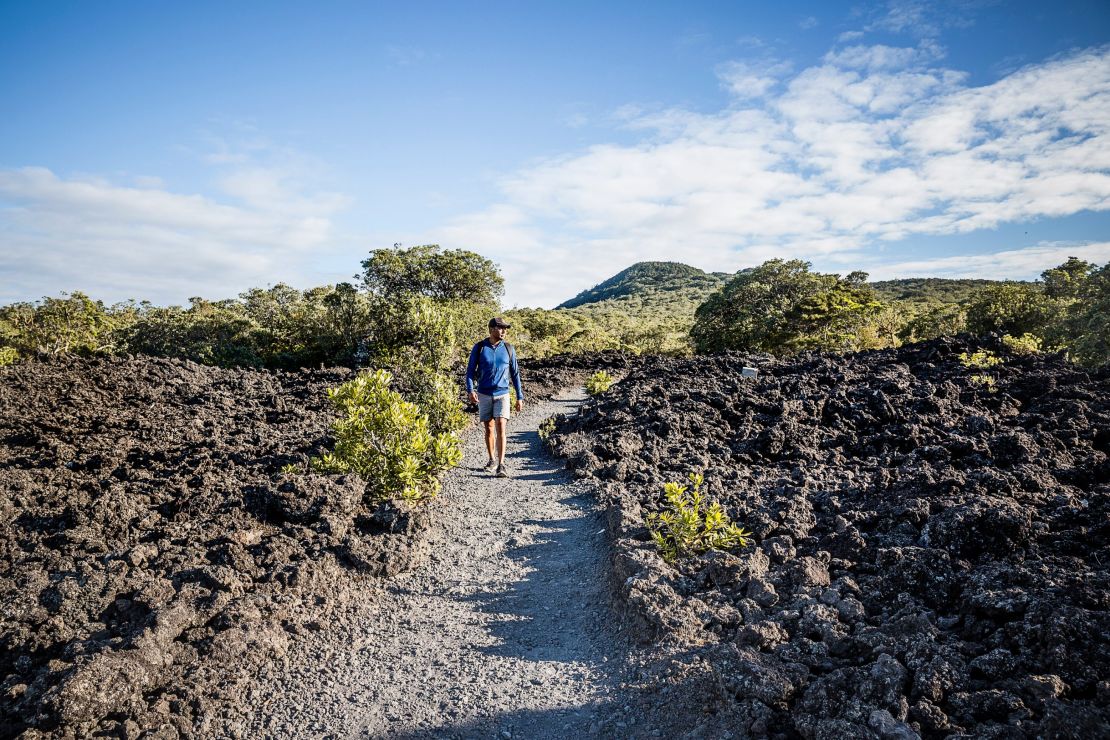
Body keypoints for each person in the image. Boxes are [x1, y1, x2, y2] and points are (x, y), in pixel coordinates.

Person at [465, 317, 524, 478]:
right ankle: (491, 459)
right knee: (489, 428)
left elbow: (515, 374)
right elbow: (470, 371)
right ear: (491, 329)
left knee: (500, 426)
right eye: (501, 328)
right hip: (484, 394)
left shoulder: (509, 349)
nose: (504, 331)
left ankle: (501, 464)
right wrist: (470, 390)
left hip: (503, 394)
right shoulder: (479, 348)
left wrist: (519, 396)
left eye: (505, 328)